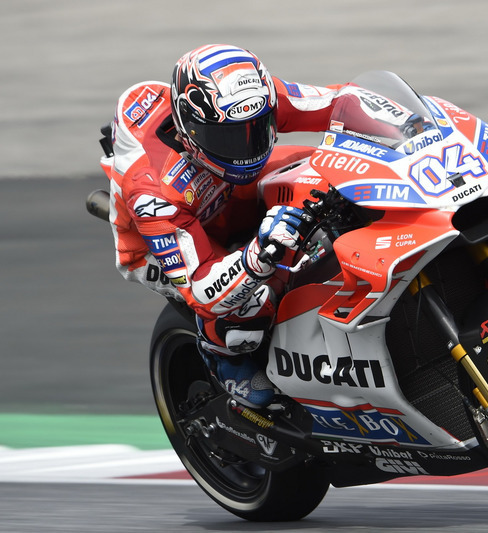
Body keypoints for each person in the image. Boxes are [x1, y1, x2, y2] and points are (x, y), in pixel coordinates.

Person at [103, 44, 352, 409]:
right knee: (251, 303)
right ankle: (225, 358)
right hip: (161, 244)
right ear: (191, 129)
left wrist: (415, 121)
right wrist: (257, 257)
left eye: (256, 131)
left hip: (227, 192)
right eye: (229, 139)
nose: (245, 148)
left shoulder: (248, 104)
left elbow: (340, 102)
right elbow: (203, 286)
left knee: (332, 172)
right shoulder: (152, 190)